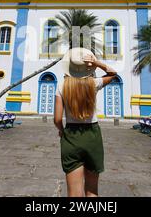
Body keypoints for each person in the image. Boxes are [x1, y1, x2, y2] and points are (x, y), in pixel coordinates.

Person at [54, 47, 117, 197]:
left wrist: (62, 130)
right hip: (92, 135)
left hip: (71, 136)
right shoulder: (93, 83)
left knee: (74, 193)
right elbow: (113, 74)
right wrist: (97, 63)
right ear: (87, 67)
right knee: (92, 190)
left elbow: (57, 119)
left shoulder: (62, 86)